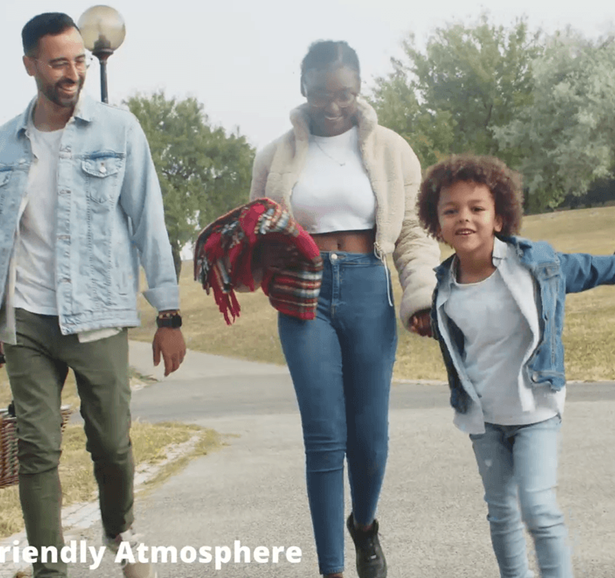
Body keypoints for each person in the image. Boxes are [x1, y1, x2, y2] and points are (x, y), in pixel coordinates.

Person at [0, 13, 186, 578]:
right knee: (36, 451)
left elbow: (149, 224)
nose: (73, 73)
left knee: (111, 444)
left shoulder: (119, 130)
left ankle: (121, 532)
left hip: (97, 316)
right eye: (59, 62)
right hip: (26, 321)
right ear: (30, 66)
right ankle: (49, 570)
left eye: (80, 60)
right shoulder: (3, 141)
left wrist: (169, 312)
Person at [248, 40, 440, 578]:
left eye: (345, 94)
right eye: (321, 93)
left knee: (370, 437)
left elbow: (412, 233)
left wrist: (420, 294)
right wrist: (250, 259)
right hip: (304, 295)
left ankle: (366, 527)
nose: (334, 105)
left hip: (367, 289)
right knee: (324, 436)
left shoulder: (392, 150)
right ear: (303, 87)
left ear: (359, 89)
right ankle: (331, 567)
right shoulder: (276, 154)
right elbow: (261, 230)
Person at [418, 155, 615, 578]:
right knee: (501, 514)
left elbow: (590, 268)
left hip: (536, 411)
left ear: (499, 217)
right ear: (437, 223)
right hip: (484, 420)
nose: (463, 218)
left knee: (538, 508)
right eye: (450, 210)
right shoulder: (444, 287)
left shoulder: (534, 266)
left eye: (476, 208)